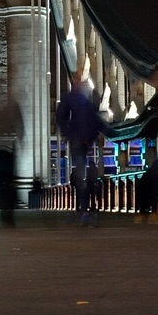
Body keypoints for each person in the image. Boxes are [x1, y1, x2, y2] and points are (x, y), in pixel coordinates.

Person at [55, 74, 106, 222]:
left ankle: (86, 209)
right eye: (76, 79)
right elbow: (60, 117)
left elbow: (94, 119)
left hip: (86, 142)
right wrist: (71, 133)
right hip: (79, 141)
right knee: (80, 175)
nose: (78, 82)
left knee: (86, 176)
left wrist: (95, 135)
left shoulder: (86, 100)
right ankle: (84, 209)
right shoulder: (71, 98)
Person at [0, 147, 17, 227]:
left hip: (5, 191)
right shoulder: (9, 168)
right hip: (8, 192)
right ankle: (9, 222)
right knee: (8, 209)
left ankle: (8, 222)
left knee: (6, 209)